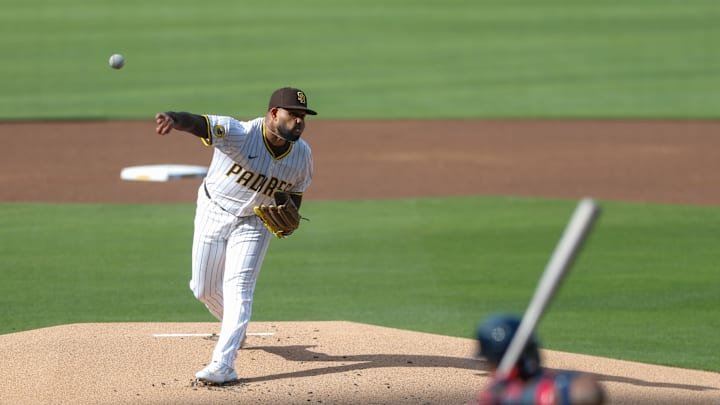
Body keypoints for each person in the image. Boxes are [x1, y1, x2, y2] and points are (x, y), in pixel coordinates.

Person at [154, 87, 317, 384]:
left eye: (303, 116)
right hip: (212, 210)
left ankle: (224, 363)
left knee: (239, 286)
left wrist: (290, 216)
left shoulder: (302, 155)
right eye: (293, 115)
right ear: (273, 114)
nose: (299, 122)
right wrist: (172, 118)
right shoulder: (238, 133)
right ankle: (235, 327)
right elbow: (197, 123)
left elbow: (294, 197)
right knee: (202, 289)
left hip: (254, 221)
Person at [471, 314, 605, 405]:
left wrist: (521, 397)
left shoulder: (497, 395)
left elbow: (591, 393)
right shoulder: (496, 393)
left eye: (488, 362)